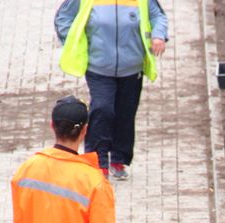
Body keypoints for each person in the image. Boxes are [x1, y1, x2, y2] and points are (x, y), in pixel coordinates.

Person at [54, 0, 169, 180]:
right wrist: (74, 41)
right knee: (102, 109)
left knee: (125, 113)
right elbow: (64, 18)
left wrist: (158, 36)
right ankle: (98, 161)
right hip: (98, 68)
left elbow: (158, 16)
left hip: (132, 68)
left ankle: (119, 158)